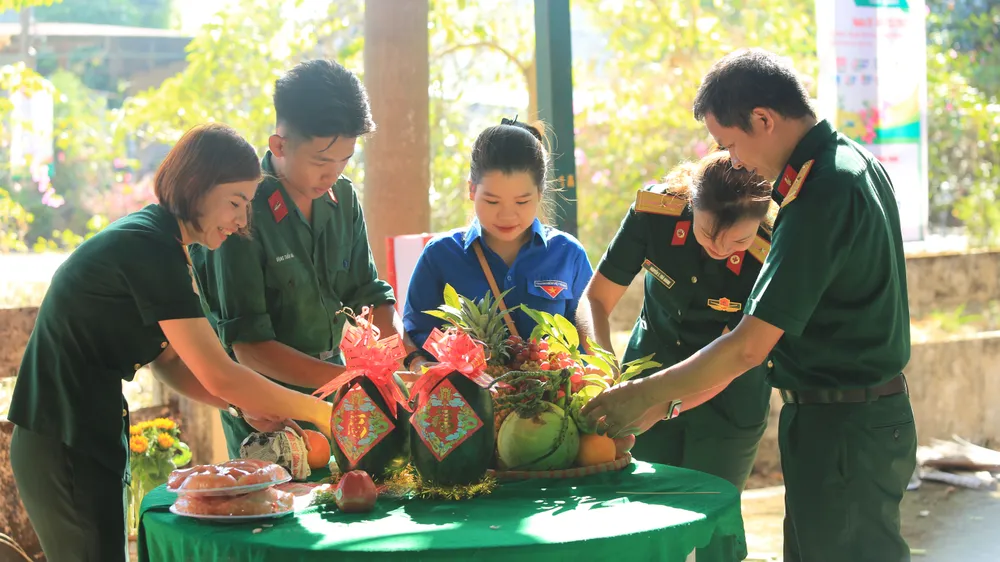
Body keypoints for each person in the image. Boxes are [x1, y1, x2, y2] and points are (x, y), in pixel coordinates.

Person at [581, 48, 916, 562]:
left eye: (731, 145)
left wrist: (641, 395)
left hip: (846, 427)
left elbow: (748, 347)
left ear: (763, 119)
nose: (731, 162)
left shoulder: (821, 191)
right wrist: (652, 398)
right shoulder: (850, 164)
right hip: (833, 421)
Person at [8, 123, 333, 562]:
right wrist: (323, 413)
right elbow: (220, 372)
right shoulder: (150, 247)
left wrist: (240, 407)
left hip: (85, 435)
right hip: (62, 439)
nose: (242, 221)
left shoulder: (166, 244)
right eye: (235, 202)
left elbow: (171, 362)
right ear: (196, 187)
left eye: (248, 206)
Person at [190, 59, 404, 458]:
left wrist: (393, 366)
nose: (332, 174)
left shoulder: (343, 199)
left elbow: (370, 294)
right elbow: (251, 347)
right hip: (268, 410)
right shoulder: (238, 209)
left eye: (344, 160)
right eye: (321, 162)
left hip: (344, 397)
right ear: (279, 146)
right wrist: (352, 380)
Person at [574, 151, 773, 490]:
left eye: (739, 240)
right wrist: (605, 368)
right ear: (691, 204)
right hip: (644, 379)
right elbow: (595, 300)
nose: (721, 248)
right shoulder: (655, 215)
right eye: (707, 232)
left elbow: (734, 356)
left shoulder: (766, 257)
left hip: (726, 404)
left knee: (711, 513)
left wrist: (661, 406)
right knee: (639, 507)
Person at [402, 118, 593, 358]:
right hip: (464, 383)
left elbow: (590, 342)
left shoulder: (568, 254)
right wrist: (423, 362)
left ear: (539, 193)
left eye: (522, 202)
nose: (507, 215)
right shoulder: (440, 255)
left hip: (554, 382)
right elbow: (416, 331)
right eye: (492, 201)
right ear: (472, 190)